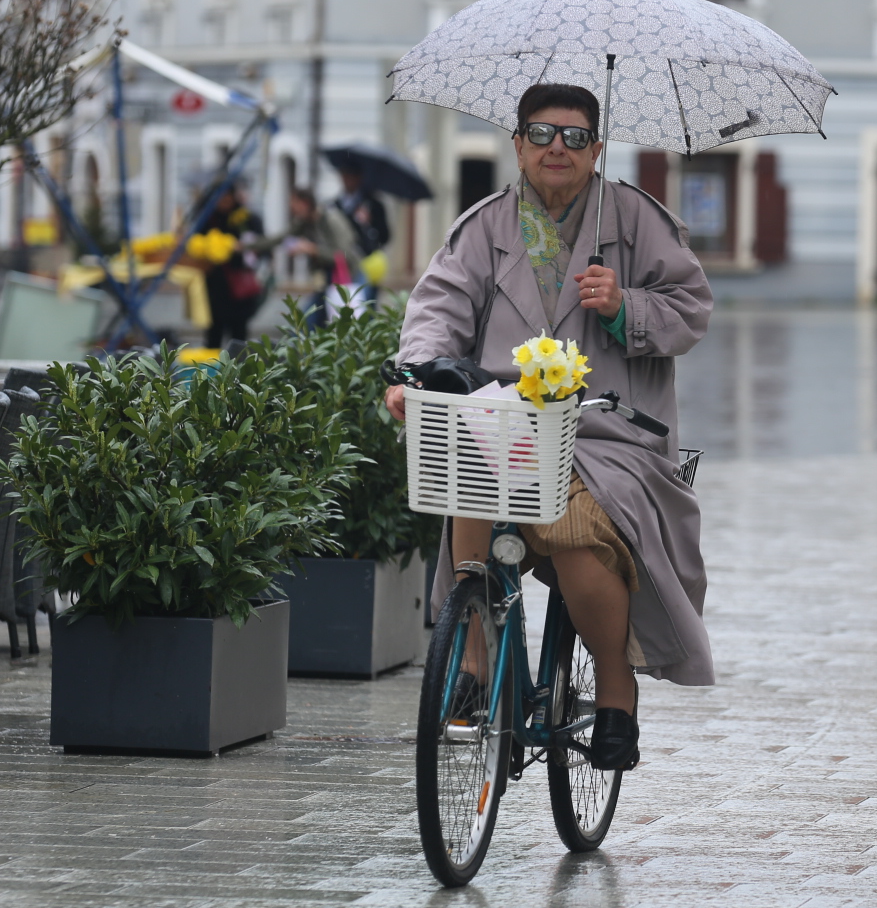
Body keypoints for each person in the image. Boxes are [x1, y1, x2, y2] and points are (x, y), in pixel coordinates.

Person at [385, 83, 713, 771]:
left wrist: (624, 307)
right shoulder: (484, 226)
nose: (555, 148)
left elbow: (690, 310)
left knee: (576, 539)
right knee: (470, 485)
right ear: (517, 145)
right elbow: (438, 309)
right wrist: (416, 376)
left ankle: (616, 691)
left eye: (573, 136)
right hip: (505, 423)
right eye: (540, 133)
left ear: (597, 149)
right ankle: (475, 662)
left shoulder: (638, 219)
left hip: (606, 435)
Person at [281, 187, 365, 327]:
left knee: (350, 321)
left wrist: (312, 249)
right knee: (319, 322)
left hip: (348, 276)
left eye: (294, 204)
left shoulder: (330, 219)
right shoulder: (306, 222)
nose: (292, 209)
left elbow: (344, 254)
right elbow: (280, 238)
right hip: (328, 279)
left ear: (305, 203)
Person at [197, 183, 266, 347]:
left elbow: (262, 247)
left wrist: (245, 248)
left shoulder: (246, 218)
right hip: (214, 287)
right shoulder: (207, 218)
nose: (224, 201)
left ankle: (237, 362)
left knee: (238, 336)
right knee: (213, 334)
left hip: (239, 289)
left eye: (227, 196)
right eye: (220, 197)